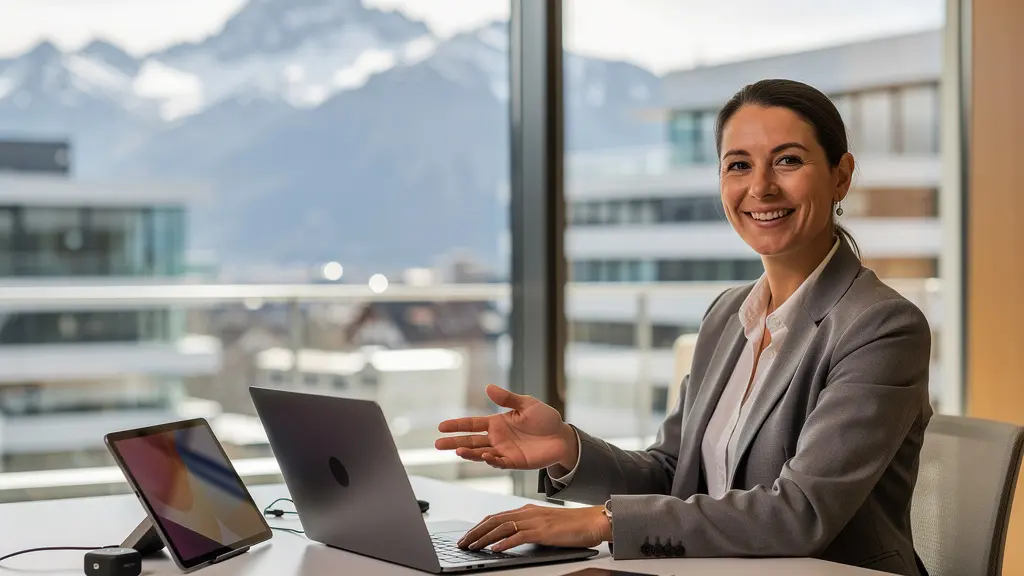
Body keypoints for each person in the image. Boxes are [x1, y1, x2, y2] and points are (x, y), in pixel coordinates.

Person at [434, 78, 933, 576]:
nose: (760, 187)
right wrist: (569, 448)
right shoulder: (727, 315)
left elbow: (800, 513)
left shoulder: (881, 327)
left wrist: (602, 522)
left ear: (840, 176)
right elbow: (673, 474)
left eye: (788, 160)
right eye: (739, 165)